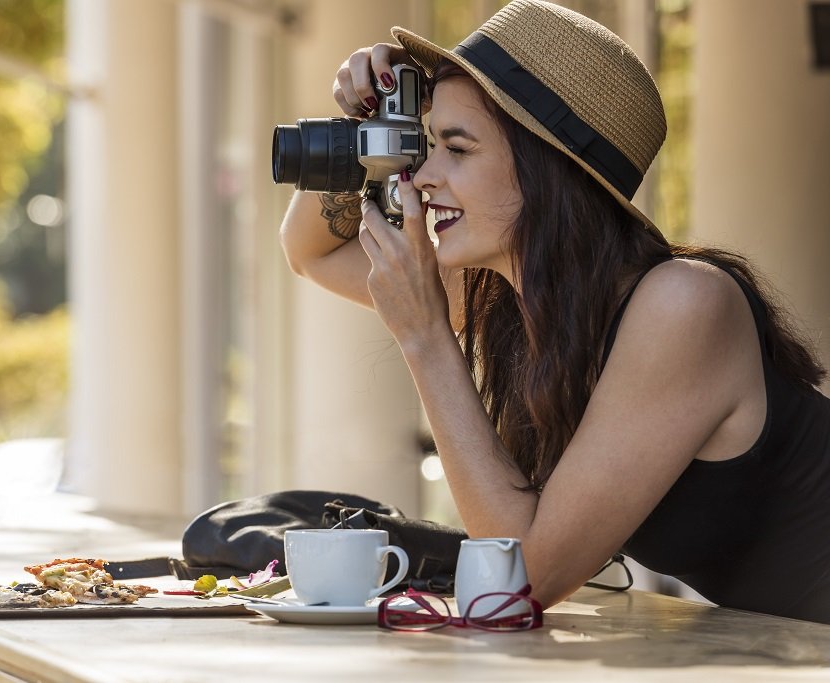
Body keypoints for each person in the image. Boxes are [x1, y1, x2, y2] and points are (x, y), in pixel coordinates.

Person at [278, 0, 830, 623]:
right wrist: (366, 119)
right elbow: (313, 252)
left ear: (549, 173)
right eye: (431, 145)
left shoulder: (685, 305)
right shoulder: (519, 301)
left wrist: (426, 335)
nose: (425, 175)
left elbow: (520, 581)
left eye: (457, 148)